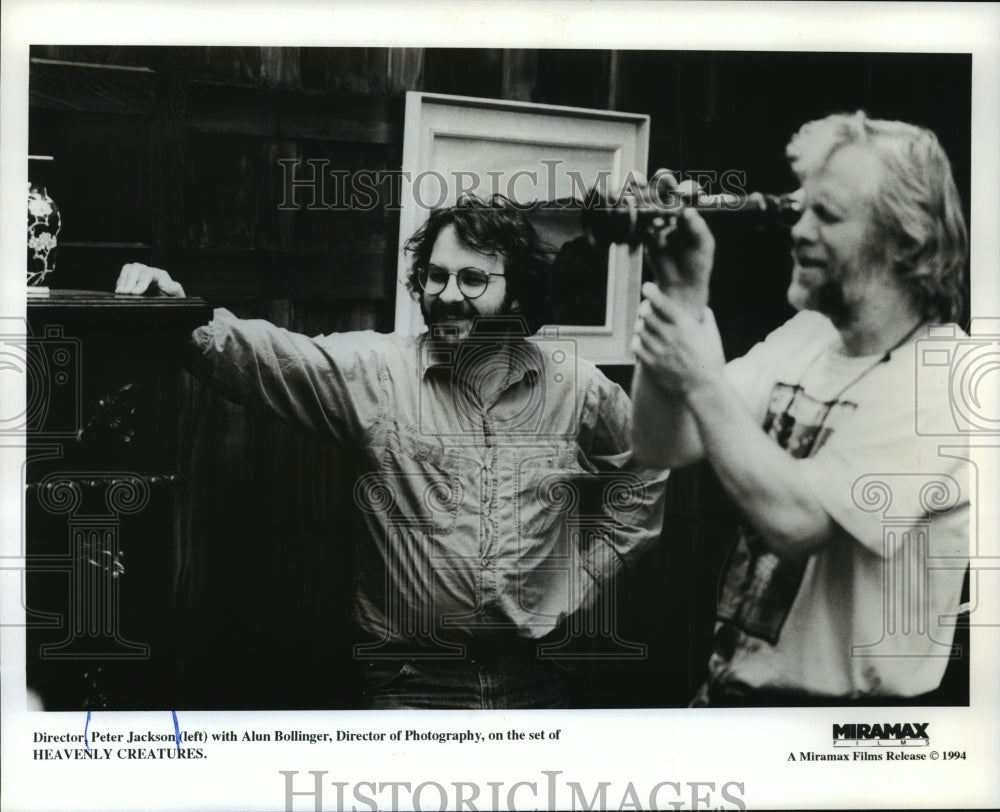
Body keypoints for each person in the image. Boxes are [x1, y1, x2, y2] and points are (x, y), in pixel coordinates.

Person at [116, 194, 668, 710]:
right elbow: (271, 356)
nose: (448, 293)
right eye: (436, 275)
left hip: (539, 680)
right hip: (413, 684)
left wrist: (584, 580)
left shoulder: (577, 388)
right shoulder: (378, 373)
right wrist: (178, 313)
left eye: (474, 278)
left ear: (519, 294)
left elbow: (645, 471)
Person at [630, 112, 970, 705]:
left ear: (904, 241)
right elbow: (664, 443)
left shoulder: (948, 383)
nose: (798, 231)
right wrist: (682, 296)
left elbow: (797, 523)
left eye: (828, 216)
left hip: (845, 737)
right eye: (800, 208)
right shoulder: (808, 336)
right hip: (733, 698)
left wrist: (700, 377)